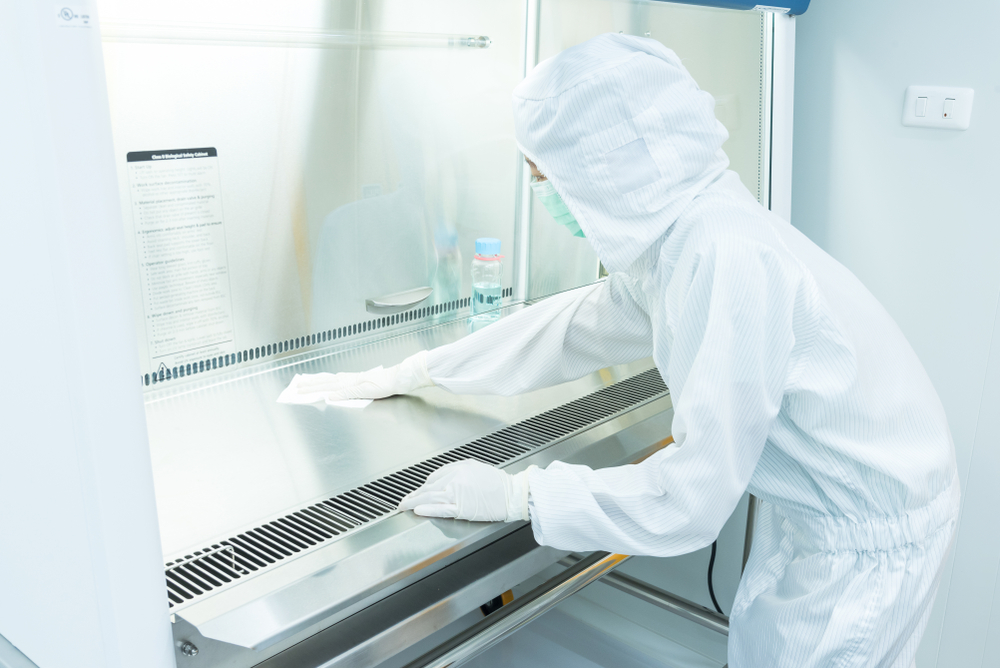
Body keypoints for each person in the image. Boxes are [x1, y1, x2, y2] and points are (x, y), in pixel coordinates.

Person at [295, 34, 959, 668]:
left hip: (863, 550)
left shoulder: (722, 256)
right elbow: (579, 323)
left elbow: (689, 503)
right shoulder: (684, 233)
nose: (543, 195)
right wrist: (421, 370)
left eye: (543, 176)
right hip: (827, 520)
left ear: (600, 169)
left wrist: (521, 495)